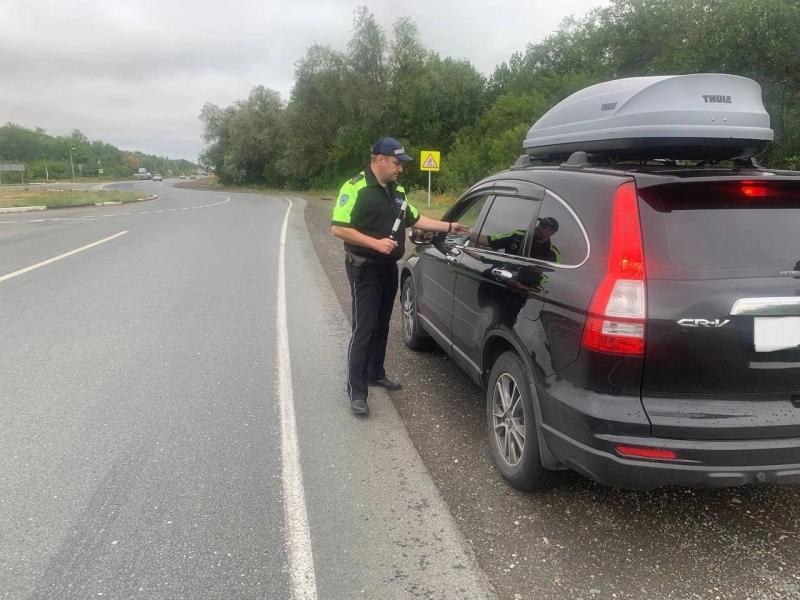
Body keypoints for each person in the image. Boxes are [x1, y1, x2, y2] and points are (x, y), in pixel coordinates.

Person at [331, 137, 468, 415]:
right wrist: (376, 243)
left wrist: (450, 226)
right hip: (364, 266)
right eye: (397, 163)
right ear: (379, 159)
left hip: (387, 268)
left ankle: (375, 372)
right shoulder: (355, 187)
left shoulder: (398, 191)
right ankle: (357, 391)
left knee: (382, 323)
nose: (400, 169)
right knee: (364, 326)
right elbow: (338, 228)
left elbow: (416, 220)